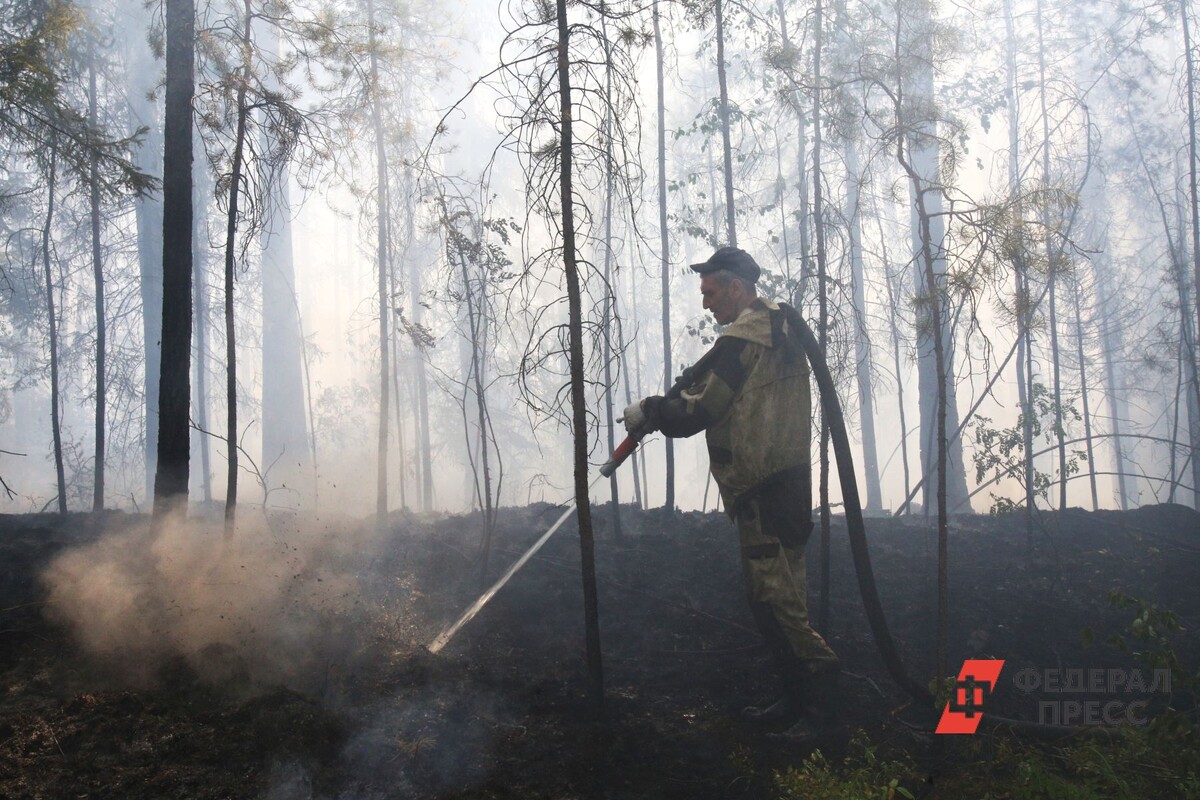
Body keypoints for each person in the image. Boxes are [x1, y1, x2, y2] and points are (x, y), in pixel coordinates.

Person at [621, 246, 840, 737]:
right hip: (785, 484)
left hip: (762, 490)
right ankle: (795, 703)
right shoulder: (776, 330)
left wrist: (651, 411)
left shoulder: (744, 342)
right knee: (782, 600)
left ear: (736, 288)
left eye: (711, 292)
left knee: (775, 603)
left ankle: (821, 717)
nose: (706, 304)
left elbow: (700, 413)